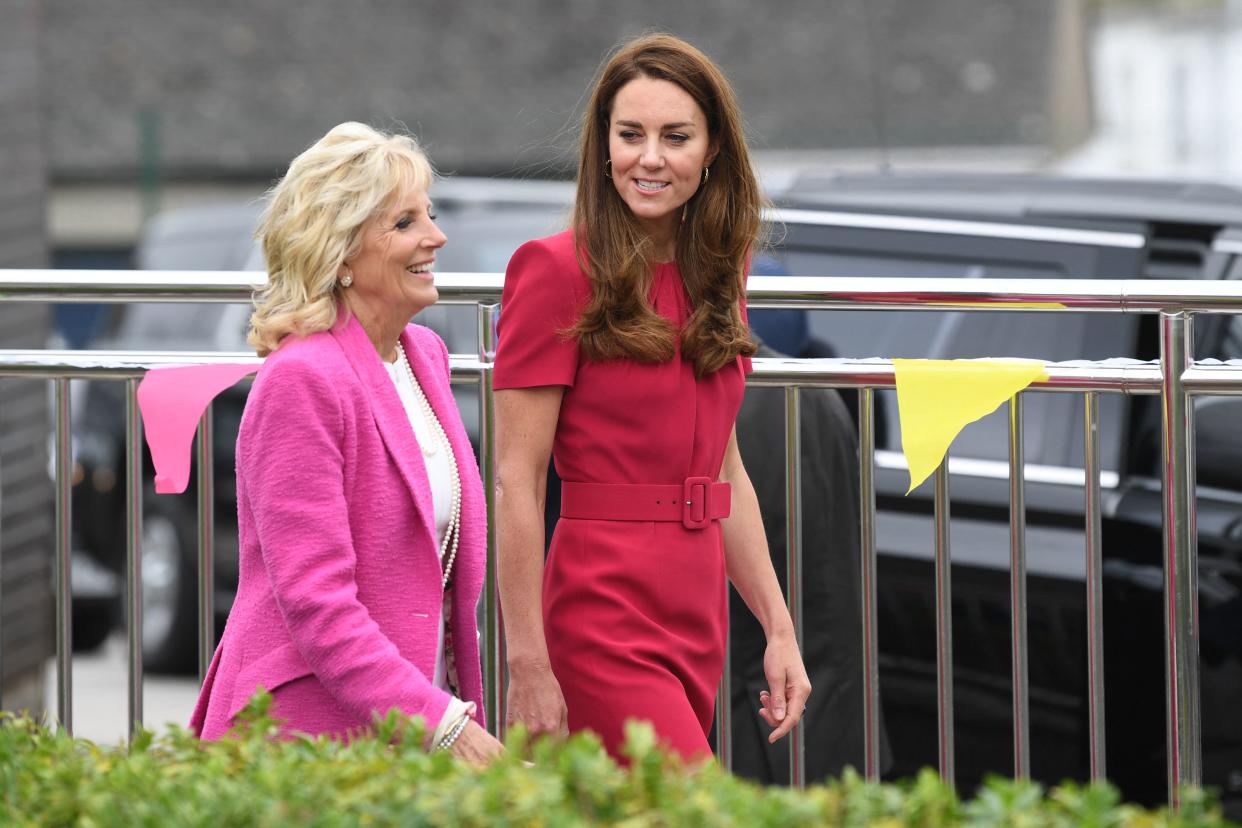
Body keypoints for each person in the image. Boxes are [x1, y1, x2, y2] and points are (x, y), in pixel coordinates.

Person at [493, 34, 811, 762]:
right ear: (603, 147)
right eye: (630, 135)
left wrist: (779, 628)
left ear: (712, 154)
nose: (650, 157)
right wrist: (527, 661)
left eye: (675, 137)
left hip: (696, 610)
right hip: (601, 608)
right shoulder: (552, 269)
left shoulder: (720, 275)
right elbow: (517, 479)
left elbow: (722, 466)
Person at [189, 122, 502, 764]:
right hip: (304, 734)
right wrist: (443, 723)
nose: (436, 238)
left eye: (430, 216)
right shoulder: (301, 380)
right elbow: (318, 604)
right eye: (406, 222)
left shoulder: (425, 355)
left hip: (403, 724)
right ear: (341, 250)